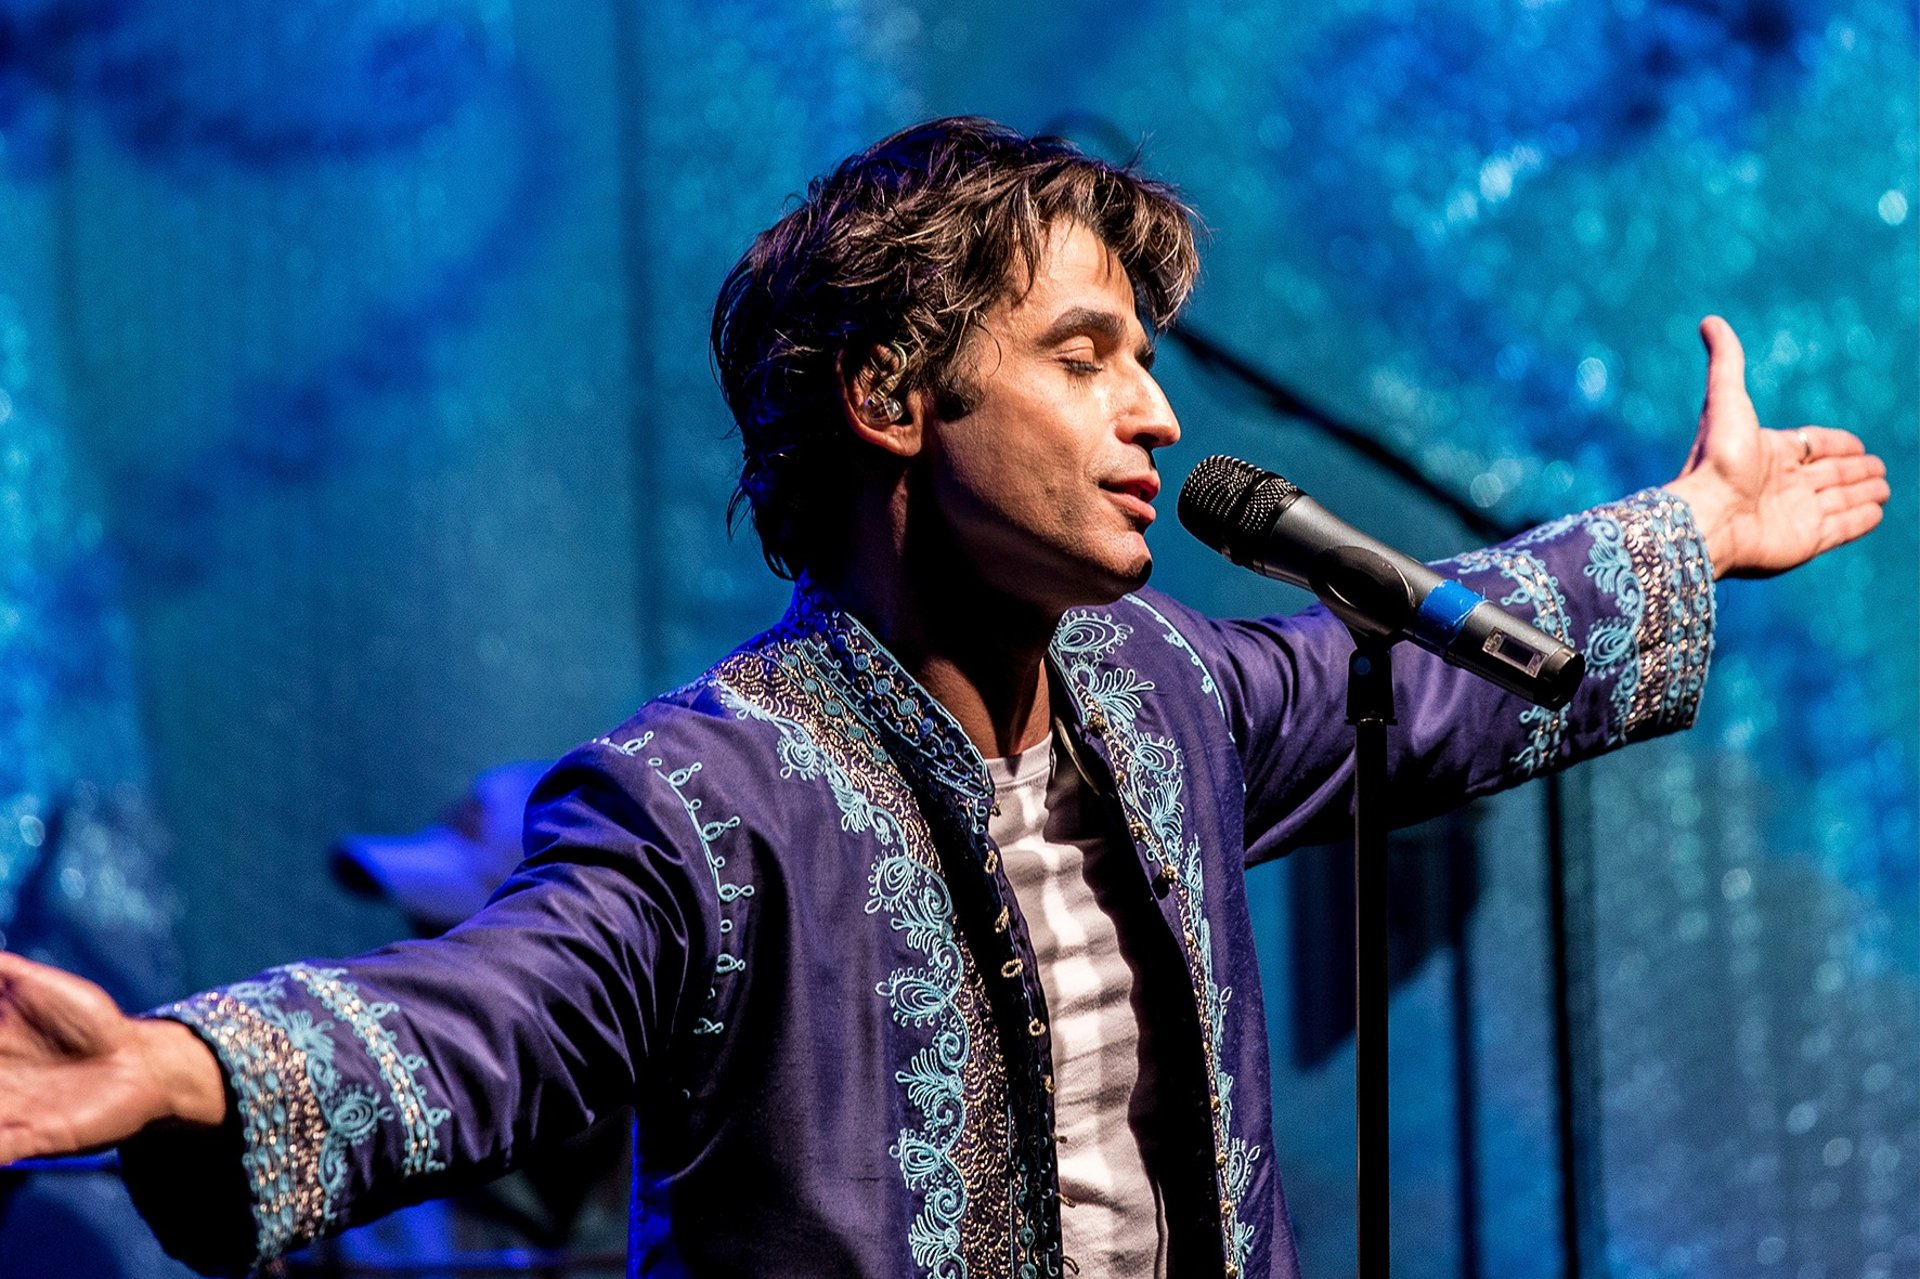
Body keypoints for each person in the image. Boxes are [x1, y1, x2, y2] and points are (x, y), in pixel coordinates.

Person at [0, 118, 1888, 1278]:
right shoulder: (710, 800)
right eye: (1085, 355)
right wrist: (178, 1069)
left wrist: (1696, 529)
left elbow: (1418, 676)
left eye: (1148, 360)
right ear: (894, 400)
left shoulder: (1165, 697)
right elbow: (500, 1014)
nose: (1158, 414)